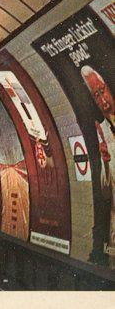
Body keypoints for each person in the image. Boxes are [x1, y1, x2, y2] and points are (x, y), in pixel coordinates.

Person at [81, 65, 114, 267]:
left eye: (102, 91)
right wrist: (106, 162)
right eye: (96, 96)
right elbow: (105, 191)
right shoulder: (103, 132)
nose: (102, 101)